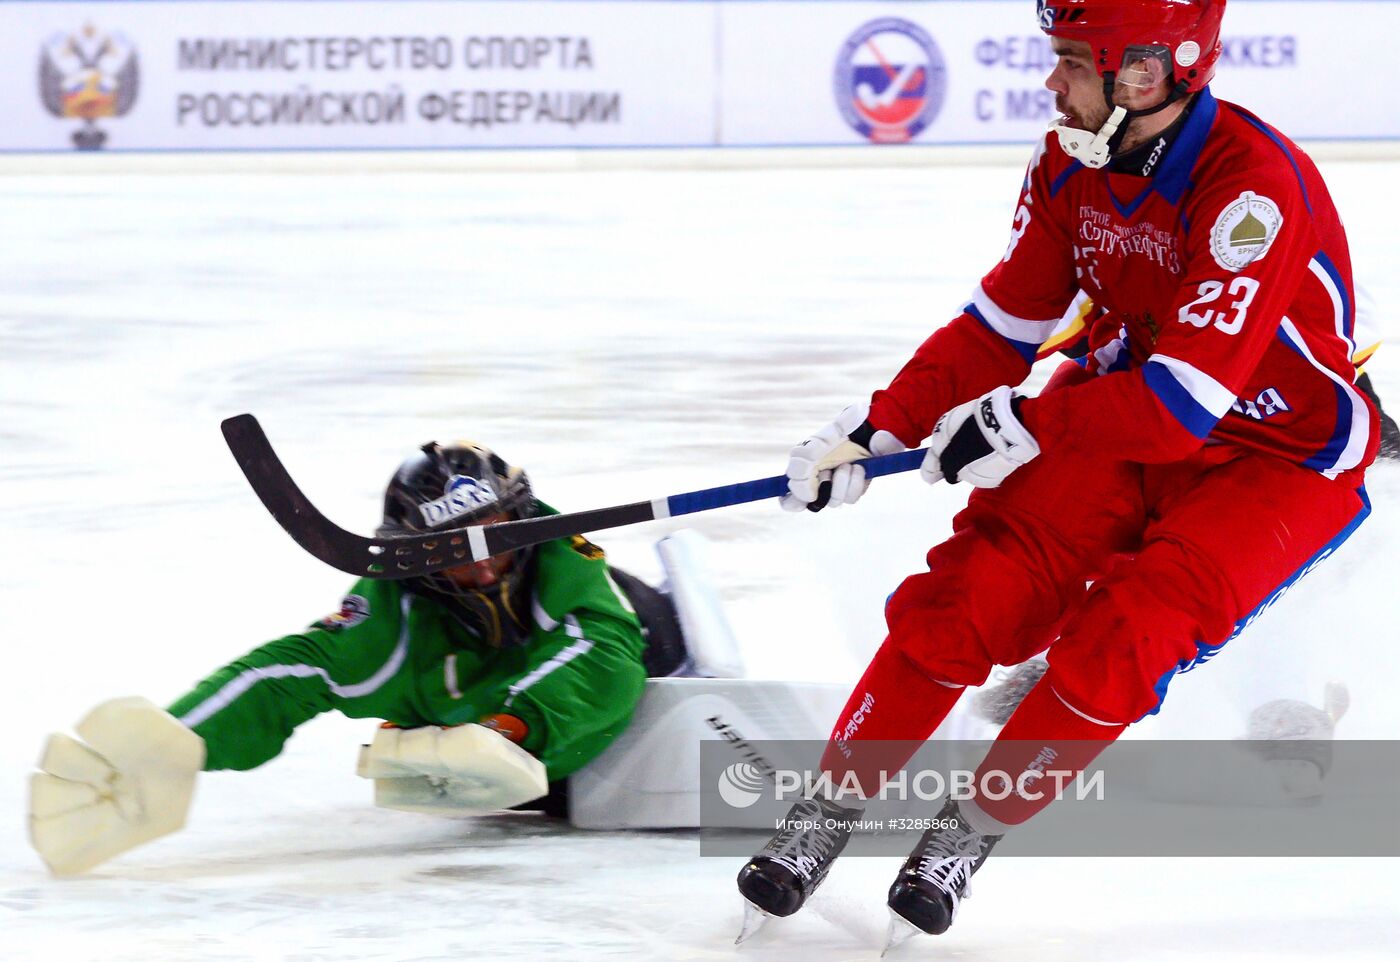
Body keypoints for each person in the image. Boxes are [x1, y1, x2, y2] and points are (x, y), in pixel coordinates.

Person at [735, 0, 1376, 949]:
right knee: (966, 599)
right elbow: (1003, 326)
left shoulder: (1252, 189)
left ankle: (962, 837)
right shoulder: (1070, 162)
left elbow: (1182, 408)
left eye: (1074, 61)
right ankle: (824, 819)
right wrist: (878, 426)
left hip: (1272, 457)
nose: (1051, 81)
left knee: (1125, 638)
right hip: (1119, 409)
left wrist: (1021, 421)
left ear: (1148, 74)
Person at [29, 439, 672, 876]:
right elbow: (287, 674)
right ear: (416, 558)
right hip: (526, 761)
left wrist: (510, 729)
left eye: (495, 539)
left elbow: (604, 657)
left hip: (657, 662)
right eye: (451, 550)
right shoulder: (393, 623)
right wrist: (171, 745)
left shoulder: (565, 564)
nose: (479, 566)